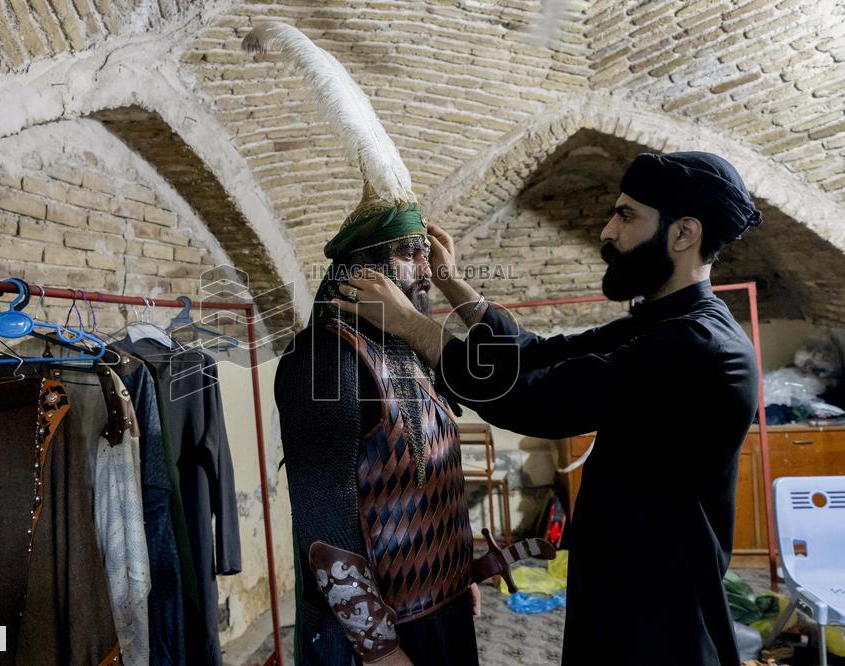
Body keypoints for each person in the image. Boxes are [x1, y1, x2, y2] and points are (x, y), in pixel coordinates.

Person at [334, 151, 763, 666]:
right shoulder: (665, 320)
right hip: (623, 580)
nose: (607, 231)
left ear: (684, 233)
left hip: (659, 606)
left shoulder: (697, 345)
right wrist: (452, 281)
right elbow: (538, 354)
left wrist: (411, 324)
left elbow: (533, 401)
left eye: (626, 216)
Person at [244, 21, 481, 666]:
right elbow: (324, 522)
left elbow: (438, 473)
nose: (423, 270)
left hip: (436, 607)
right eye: (406, 255)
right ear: (359, 273)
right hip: (369, 638)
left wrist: (456, 575)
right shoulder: (324, 361)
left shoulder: (408, 352)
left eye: (423, 254)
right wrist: (378, 648)